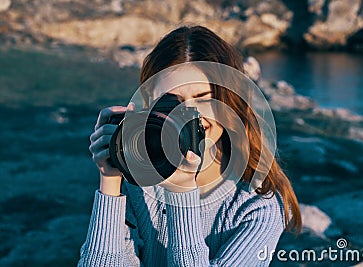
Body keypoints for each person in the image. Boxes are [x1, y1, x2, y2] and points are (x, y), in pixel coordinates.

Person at [79, 25, 302, 266]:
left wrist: (182, 191)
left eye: (203, 98)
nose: (188, 114)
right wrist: (110, 180)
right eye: (170, 101)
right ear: (149, 106)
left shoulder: (257, 204)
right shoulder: (136, 183)